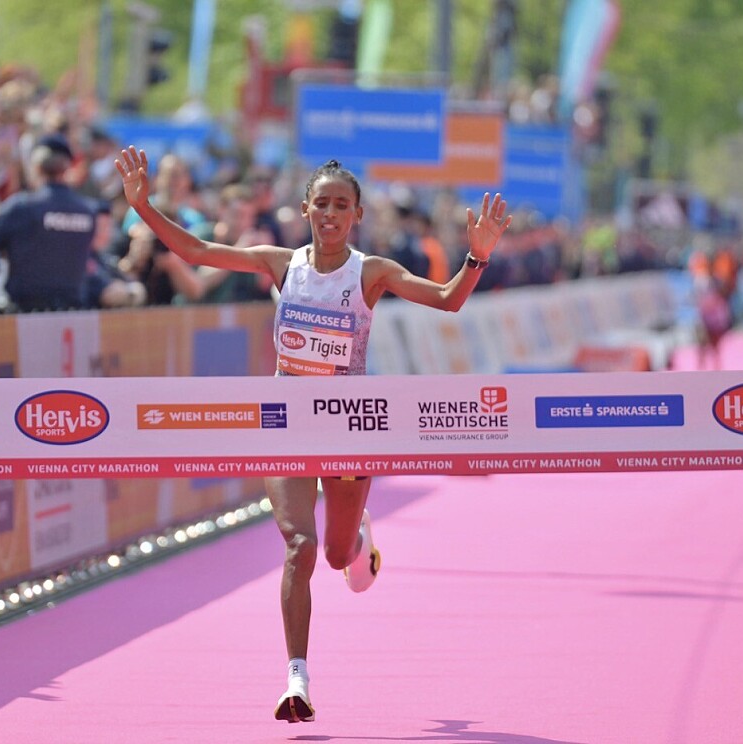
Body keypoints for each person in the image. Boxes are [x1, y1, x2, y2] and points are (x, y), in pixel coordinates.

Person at [116, 145, 511, 724]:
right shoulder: (281, 264)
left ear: (357, 215)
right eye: (321, 203)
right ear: (305, 208)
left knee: (334, 556)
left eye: (341, 206)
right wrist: (143, 208)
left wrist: (477, 257)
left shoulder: (371, 272)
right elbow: (198, 252)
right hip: (287, 424)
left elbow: (448, 301)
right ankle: (296, 676)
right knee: (299, 546)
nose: (330, 214)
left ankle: (358, 538)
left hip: (348, 430)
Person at [0, 134, 96, 312]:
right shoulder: (87, 211)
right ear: (67, 168)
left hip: (25, 312)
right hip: (71, 314)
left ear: (36, 167)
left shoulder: (21, 207)